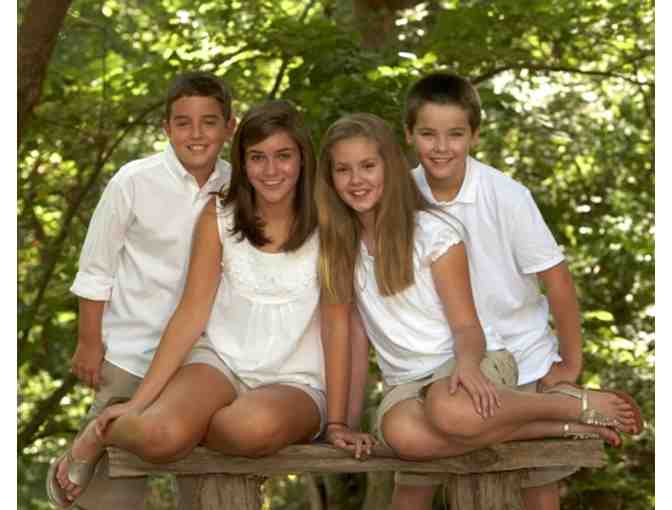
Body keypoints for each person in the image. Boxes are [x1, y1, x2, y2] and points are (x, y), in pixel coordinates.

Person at [49, 100, 374, 508]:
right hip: (218, 363)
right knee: (160, 435)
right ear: (242, 161)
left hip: (297, 380)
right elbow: (191, 313)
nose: (271, 170)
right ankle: (102, 429)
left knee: (248, 429)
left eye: (283, 156)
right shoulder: (220, 214)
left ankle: (191, 426)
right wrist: (139, 401)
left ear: (303, 159)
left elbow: (337, 323)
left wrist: (339, 421)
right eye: (257, 157)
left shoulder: (332, 224)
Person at [316, 112, 642, 510]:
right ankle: (561, 425)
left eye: (368, 166)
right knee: (402, 437)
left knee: (447, 407)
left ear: (391, 168)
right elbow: (345, 337)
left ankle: (571, 404)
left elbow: (467, 326)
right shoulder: (337, 249)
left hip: (473, 359)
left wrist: (468, 366)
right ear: (329, 178)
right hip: (406, 382)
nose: (356, 179)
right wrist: (340, 423)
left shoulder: (432, 232)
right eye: (343, 169)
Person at [46, 71, 236, 509]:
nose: (196, 134)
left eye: (209, 122)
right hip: (132, 352)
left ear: (229, 127)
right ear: (166, 128)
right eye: (183, 122)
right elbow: (96, 268)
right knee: (112, 488)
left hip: (204, 358)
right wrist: (89, 342)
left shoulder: (240, 186)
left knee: (204, 482)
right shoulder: (133, 181)